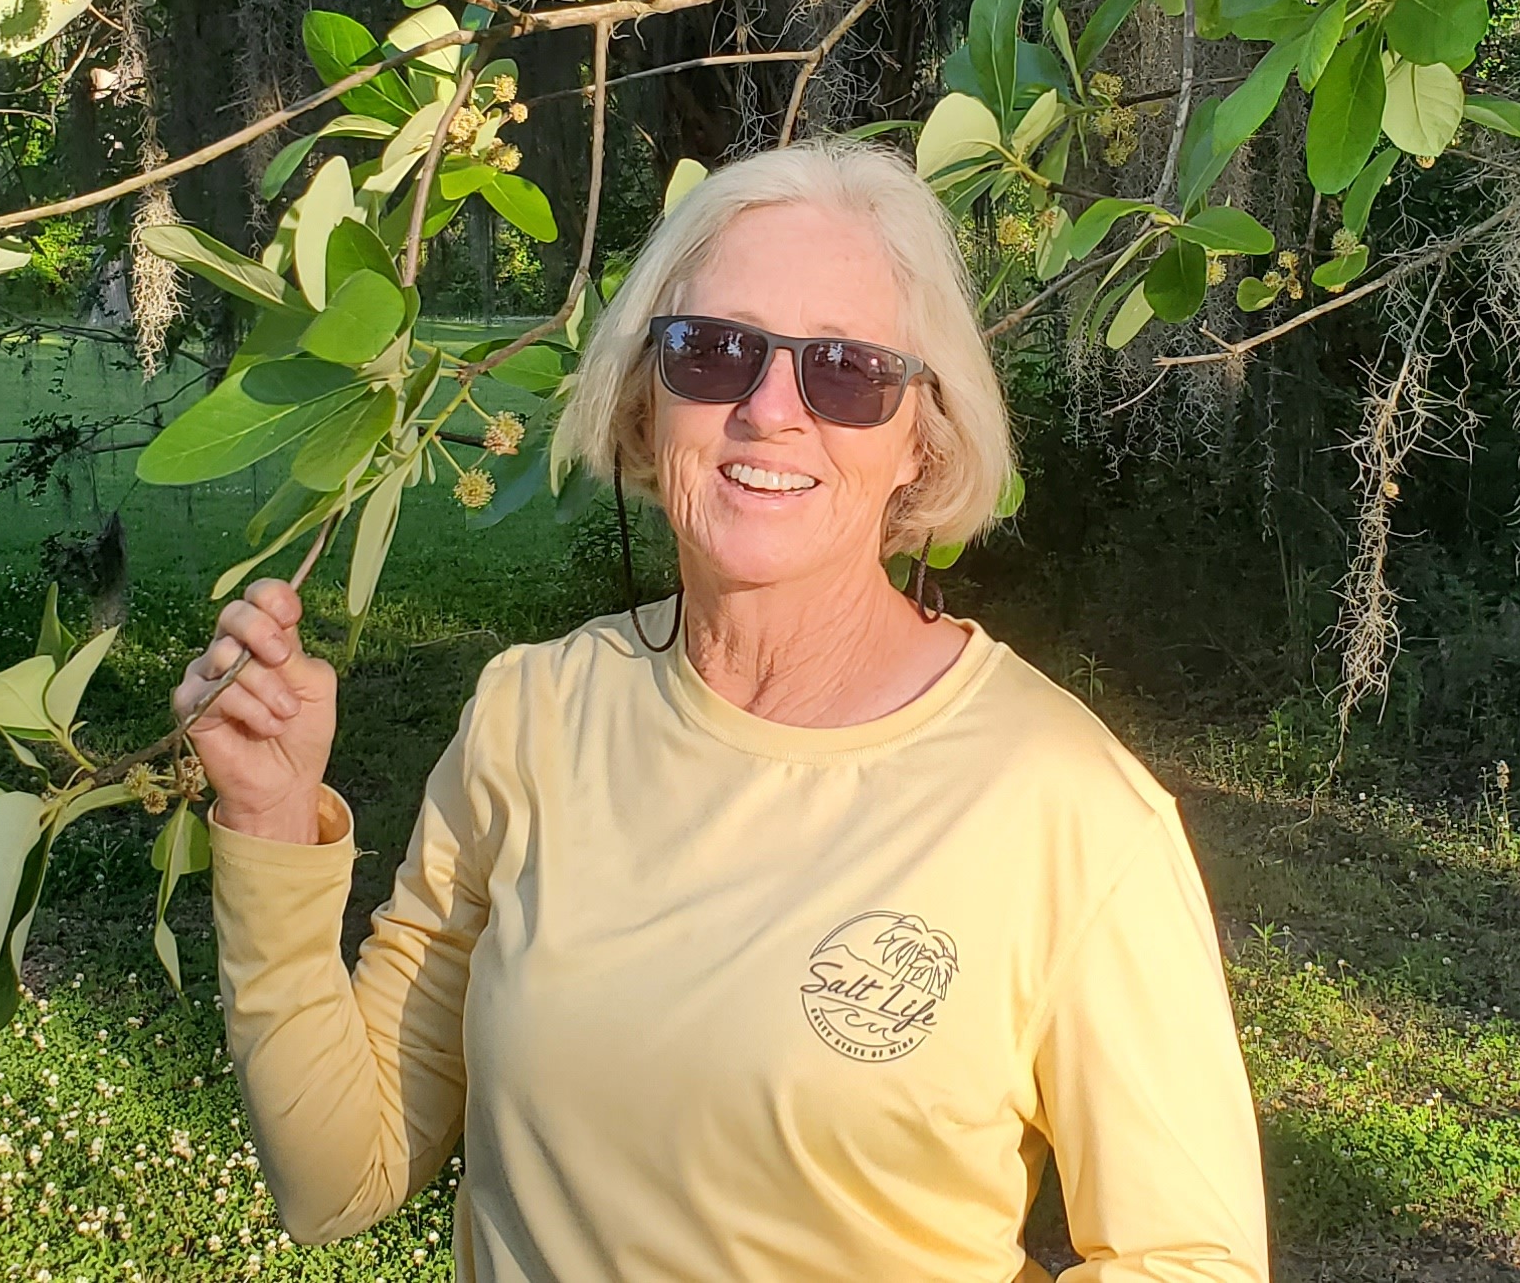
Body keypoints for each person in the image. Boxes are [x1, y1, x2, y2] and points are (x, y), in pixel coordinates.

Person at [172, 139, 1268, 1282]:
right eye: (713, 352)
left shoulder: (1066, 806)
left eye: (846, 370)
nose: (771, 410)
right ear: (649, 400)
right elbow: (339, 1175)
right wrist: (270, 819)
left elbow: (1189, 1259)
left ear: (921, 439)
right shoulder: (533, 718)